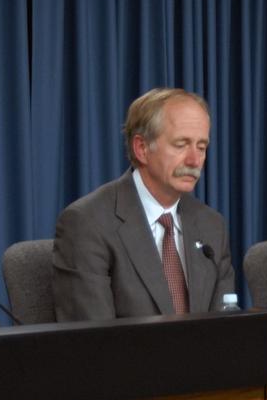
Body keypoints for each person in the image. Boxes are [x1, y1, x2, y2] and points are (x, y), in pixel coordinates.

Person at [52, 88, 235, 321]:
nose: (194, 160)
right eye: (181, 144)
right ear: (142, 148)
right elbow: (92, 342)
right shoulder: (88, 223)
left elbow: (227, 331)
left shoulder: (212, 226)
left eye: (201, 147)